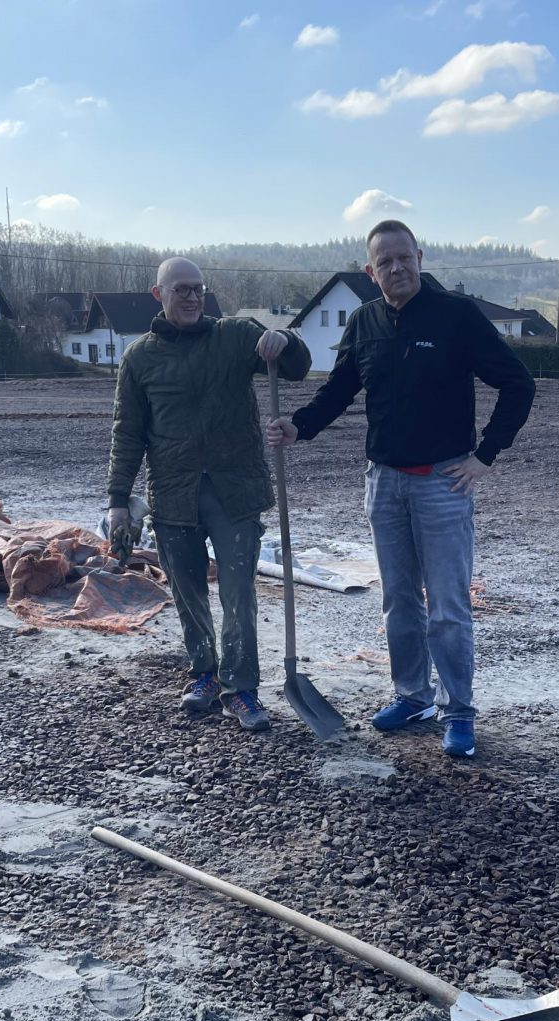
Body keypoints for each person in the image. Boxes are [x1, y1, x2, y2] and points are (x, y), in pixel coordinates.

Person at [266, 221, 533, 757]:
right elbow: (340, 388)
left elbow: (518, 383)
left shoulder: (456, 316)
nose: (396, 268)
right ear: (371, 271)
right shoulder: (365, 322)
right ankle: (413, 697)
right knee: (399, 601)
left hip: (442, 482)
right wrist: (300, 425)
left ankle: (459, 713)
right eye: (384, 262)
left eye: (404, 257)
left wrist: (484, 455)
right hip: (383, 483)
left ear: (420, 258)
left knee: (448, 607)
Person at [108, 257, 311, 731]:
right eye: (182, 289)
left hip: (234, 491)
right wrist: (118, 499)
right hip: (172, 494)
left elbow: (298, 368)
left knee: (239, 593)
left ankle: (240, 688)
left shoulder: (236, 335)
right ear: (158, 294)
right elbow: (127, 431)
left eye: (198, 289)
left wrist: (286, 340)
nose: (193, 297)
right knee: (188, 592)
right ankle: (204, 673)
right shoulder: (139, 358)